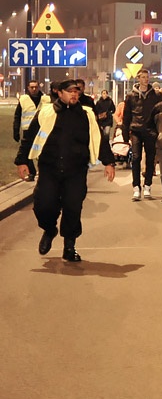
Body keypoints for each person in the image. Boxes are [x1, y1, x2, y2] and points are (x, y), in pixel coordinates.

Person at [15, 79, 116, 262]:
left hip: (76, 170)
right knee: (43, 205)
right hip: (49, 168)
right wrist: (22, 161)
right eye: (70, 91)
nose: (74, 94)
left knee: (73, 208)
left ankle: (70, 246)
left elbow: (98, 138)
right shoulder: (46, 113)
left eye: (77, 92)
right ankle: (49, 229)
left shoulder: (86, 115)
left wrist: (109, 162)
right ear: (59, 93)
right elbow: (29, 137)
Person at [122, 68, 162, 201]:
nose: (145, 79)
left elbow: (160, 114)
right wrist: (125, 135)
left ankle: (147, 186)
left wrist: (159, 131)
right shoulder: (130, 96)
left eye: (147, 77)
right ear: (138, 79)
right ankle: (136, 187)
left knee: (150, 159)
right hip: (136, 130)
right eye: (143, 77)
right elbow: (126, 116)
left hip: (150, 131)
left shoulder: (155, 96)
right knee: (136, 158)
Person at [13, 80, 51, 182]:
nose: (34, 89)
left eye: (36, 87)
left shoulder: (46, 99)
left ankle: (43, 172)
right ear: (28, 88)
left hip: (42, 130)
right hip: (28, 130)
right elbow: (17, 116)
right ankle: (31, 173)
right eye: (32, 87)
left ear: (39, 87)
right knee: (28, 152)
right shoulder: (23, 99)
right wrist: (16, 131)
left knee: (42, 152)